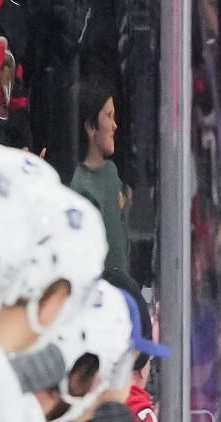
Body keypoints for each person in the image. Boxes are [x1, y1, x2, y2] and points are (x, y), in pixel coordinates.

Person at [70, 81, 130, 279]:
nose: (114, 125)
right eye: (109, 116)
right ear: (90, 126)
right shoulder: (81, 186)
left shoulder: (112, 172)